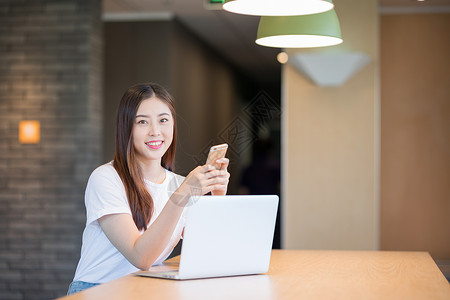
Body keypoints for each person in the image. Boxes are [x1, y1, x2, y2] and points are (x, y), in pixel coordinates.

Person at [67, 83, 230, 295]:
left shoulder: (179, 184)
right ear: (127, 127)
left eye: (163, 120)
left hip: (145, 288)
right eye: (142, 122)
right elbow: (140, 257)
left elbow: (210, 253)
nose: (155, 132)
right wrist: (182, 196)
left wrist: (219, 197)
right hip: (98, 290)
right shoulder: (105, 178)